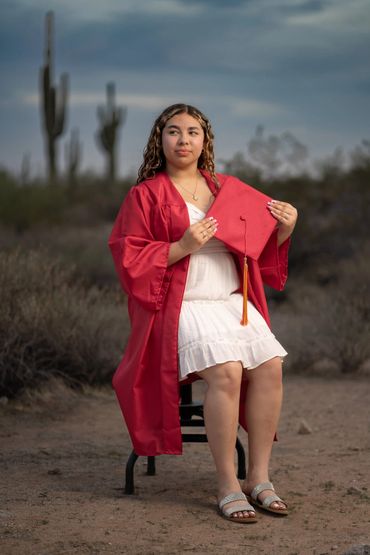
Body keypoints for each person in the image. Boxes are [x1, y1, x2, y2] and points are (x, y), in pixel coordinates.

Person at [108, 103, 298, 524]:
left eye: (192, 132)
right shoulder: (146, 195)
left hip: (232, 302)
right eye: (173, 131)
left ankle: (259, 479)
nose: (183, 140)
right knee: (228, 372)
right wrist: (180, 247)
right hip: (181, 307)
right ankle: (228, 484)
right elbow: (127, 256)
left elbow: (257, 247)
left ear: (205, 140)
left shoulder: (228, 188)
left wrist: (284, 227)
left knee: (270, 366)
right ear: (160, 140)